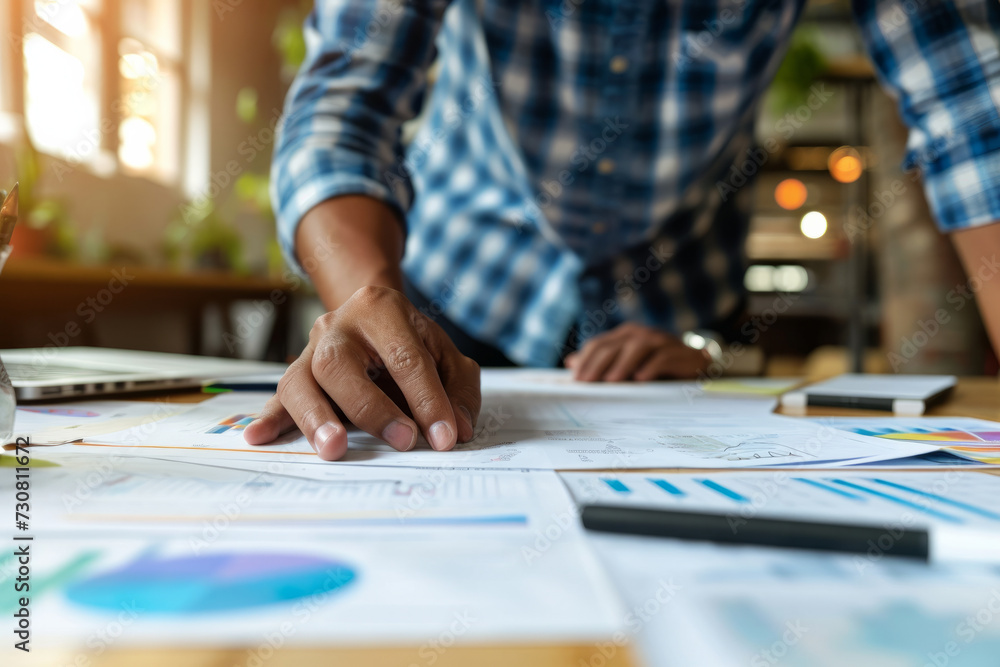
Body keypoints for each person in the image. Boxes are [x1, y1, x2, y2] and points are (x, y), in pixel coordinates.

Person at [244, 0, 1000, 461]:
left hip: (672, 321)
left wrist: (709, 352)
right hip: (443, 306)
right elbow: (347, 104)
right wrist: (368, 295)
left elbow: (978, 115)